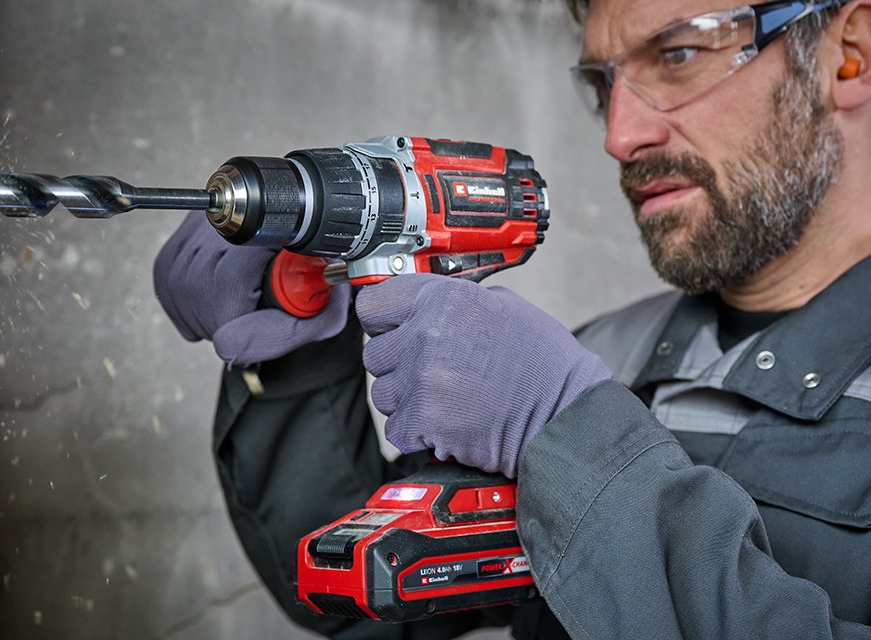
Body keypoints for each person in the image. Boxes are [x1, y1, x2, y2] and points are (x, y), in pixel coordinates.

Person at [153, 0, 871, 637]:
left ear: (850, 54)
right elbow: (371, 592)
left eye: (678, 54)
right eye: (602, 84)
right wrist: (296, 352)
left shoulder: (560, 393)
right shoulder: (607, 353)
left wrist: (575, 439)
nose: (620, 136)